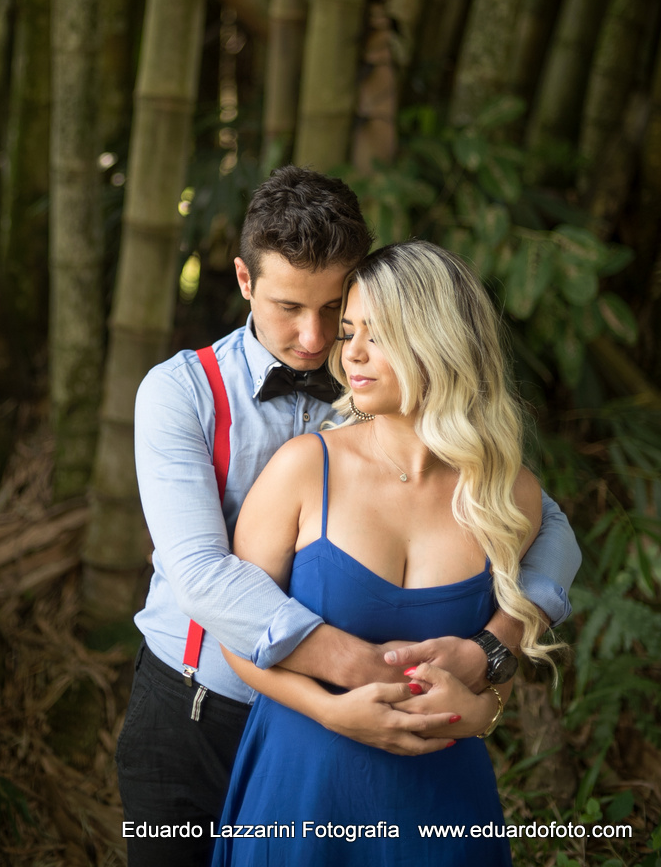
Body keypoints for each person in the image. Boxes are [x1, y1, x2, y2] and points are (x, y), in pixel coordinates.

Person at [115, 167, 580, 867]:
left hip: (360, 745)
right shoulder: (182, 394)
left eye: (337, 310)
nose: (314, 339)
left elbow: (548, 529)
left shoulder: (383, 388)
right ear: (243, 281)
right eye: (286, 307)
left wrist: (489, 651)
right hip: (196, 712)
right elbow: (203, 576)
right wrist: (363, 673)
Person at [211, 241, 558, 865]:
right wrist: (332, 711)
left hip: (444, 809)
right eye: (350, 332)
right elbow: (237, 639)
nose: (354, 354)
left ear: (441, 341)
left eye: (381, 334)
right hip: (302, 797)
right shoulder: (304, 469)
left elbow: (502, 657)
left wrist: (483, 710)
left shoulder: (509, 496)